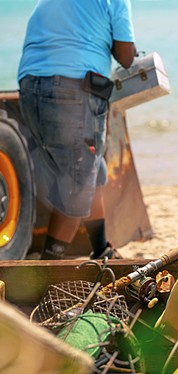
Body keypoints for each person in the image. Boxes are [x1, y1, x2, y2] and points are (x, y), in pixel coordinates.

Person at [17, 0, 137, 260]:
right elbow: (126, 57)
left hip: (30, 87)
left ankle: (101, 247)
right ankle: (48, 264)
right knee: (77, 181)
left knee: (89, 170)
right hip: (73, 90)